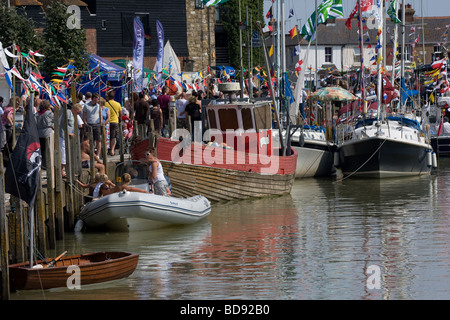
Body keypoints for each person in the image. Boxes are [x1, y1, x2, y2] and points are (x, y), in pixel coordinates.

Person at [60, 103, 83, 177]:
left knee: (67, 154)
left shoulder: (72, 114)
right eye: (78, 112)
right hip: (63, 136)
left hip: (66, 137)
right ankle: (62, 172)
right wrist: (68, 133)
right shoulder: (68, 112)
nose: (78, 114)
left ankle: (67, 171)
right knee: (63, 154)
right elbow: (64, 122)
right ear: (75, 110)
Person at [36, 100, 54, 169]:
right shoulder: (49, 113)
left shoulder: (37, 114)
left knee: (42, 150)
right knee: (48, 149)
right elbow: (54, 120)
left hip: (39, 133)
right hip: (47, 133)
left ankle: (42, 164)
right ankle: (46, 164)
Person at [82, 92, 101, 158]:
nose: (98, 100)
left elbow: (100, 115)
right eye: (97, 99)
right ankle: (91, 154)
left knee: (98, 140)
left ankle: (98, 154)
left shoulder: (98, 106)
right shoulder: (86, 105)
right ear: (94, 98)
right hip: (89, 124)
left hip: (97, 124)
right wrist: (85, 122)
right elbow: (84, 115)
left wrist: (101, 123)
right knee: (90, 140)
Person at [106, 91, 122, 156]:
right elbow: (120, 114)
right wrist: (119, 119)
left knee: (107, 136)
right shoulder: (118, 104)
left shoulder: (106, 104)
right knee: (114, 137)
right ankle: (112, 150)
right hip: (115, 122)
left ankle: (107, 149)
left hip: (107, 122)